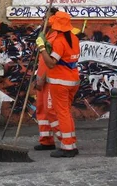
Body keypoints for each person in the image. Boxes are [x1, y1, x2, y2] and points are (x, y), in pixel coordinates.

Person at [36, 12, 80, 158]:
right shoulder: (73, 38)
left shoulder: (59, 40)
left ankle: (67, 146)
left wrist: (42, 48)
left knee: (61, 114)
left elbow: (51, 63)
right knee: (66, 113)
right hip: (72, 79)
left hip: (59, 82)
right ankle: (70, 143)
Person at [34, 11, 60, 151]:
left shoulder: (56, 37)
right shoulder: (45, 35)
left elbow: (51, 62)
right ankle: (46, 140)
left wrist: (42, 77)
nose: (42, 19)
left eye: (46, 17)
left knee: (51, 110)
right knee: (41, 108)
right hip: (42, 77)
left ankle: (65, 139)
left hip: (51, 79)